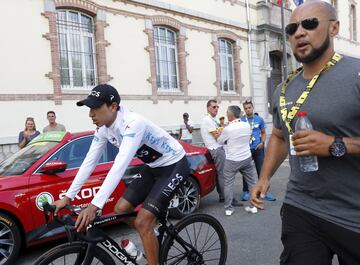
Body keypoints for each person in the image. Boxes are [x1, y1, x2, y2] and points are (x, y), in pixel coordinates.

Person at [251, 1, 360, 264]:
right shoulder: (285, 88)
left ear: (334, 27)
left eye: (310, 24)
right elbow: (279, 135)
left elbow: (335, 144)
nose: (299, 32)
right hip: (302, 206)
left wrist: (336, 144)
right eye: (292, 28)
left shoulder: (356, 74)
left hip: (353, 215)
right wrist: (264, 178)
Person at [52, 84, 189, 265]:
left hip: (175, 165)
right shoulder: (103, 129)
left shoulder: (133, 123)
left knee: (142, 222)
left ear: (113, 106)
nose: (90, 114)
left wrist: (94, 206)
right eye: (89, 109)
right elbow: (89, 162)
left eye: (95, 108)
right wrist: (68, 197)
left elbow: (120, 165)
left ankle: (148, 237)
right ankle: (151, 232)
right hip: (154, 166)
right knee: (121, 209)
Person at [215, 105, 257, 216]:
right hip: (246, 157)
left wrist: (220, 134)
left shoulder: (228, 129)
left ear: (230, 115)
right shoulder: (247, 125)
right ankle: (253, 206)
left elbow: (219, 141)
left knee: (228, 183)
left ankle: (229, 209)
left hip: (232, 159)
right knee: (252, 182)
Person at [240, 100, 276, 202]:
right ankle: (246, 192)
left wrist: (262, 143)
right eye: (246, 108)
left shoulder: (259, 119)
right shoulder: (241, 120)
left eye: (249, 108)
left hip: (258, 148)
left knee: (262, 171)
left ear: (252, 107)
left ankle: (264, 191)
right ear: (244, 110)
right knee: (246, 171)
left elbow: (263, 133)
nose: (248, 110)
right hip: (246, 150)